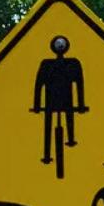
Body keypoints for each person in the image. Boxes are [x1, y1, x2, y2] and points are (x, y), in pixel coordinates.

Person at [32, 35, 86, 166]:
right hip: (60, 102)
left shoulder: (52, 64)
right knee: (49, 125)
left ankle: (69, 140)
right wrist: (80, 106)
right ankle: (47, 154)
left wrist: (37, 106)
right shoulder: (71, 64)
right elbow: (39, 85)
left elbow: (79, 85)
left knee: (57, 122)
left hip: (57, 102)